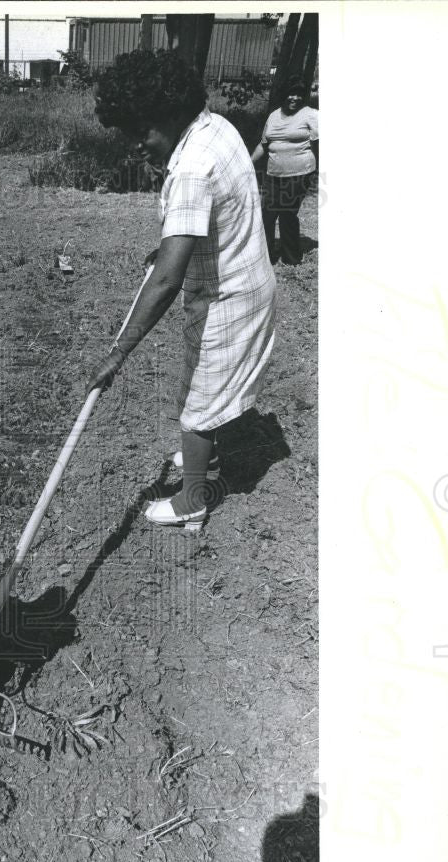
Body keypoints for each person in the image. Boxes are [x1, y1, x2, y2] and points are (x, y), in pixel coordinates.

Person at [86, 50, 276, 531]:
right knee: (204, 395)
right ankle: (201, 461)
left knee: (197, 407)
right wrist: (172, 246)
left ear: (169, 114)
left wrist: (119, 352)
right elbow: (205, 224)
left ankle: (193, 499)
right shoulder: (216, 127)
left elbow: (168, 279)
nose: (136, 145)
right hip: (244, 280)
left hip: (228, 299)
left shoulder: (191, 170)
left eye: (141, 132)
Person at [251, 76, 319, 265]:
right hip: (273, 173)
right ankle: (265, 256)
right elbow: (264, 145)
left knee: (287, 213)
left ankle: (292, 258)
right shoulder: (273, 116)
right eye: (291, 93)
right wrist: (248, 162)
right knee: (267, 213)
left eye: (298, 94)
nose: (294, 98)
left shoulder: (311, 115)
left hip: (299, 172)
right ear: (283, 95)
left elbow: (319, 144)